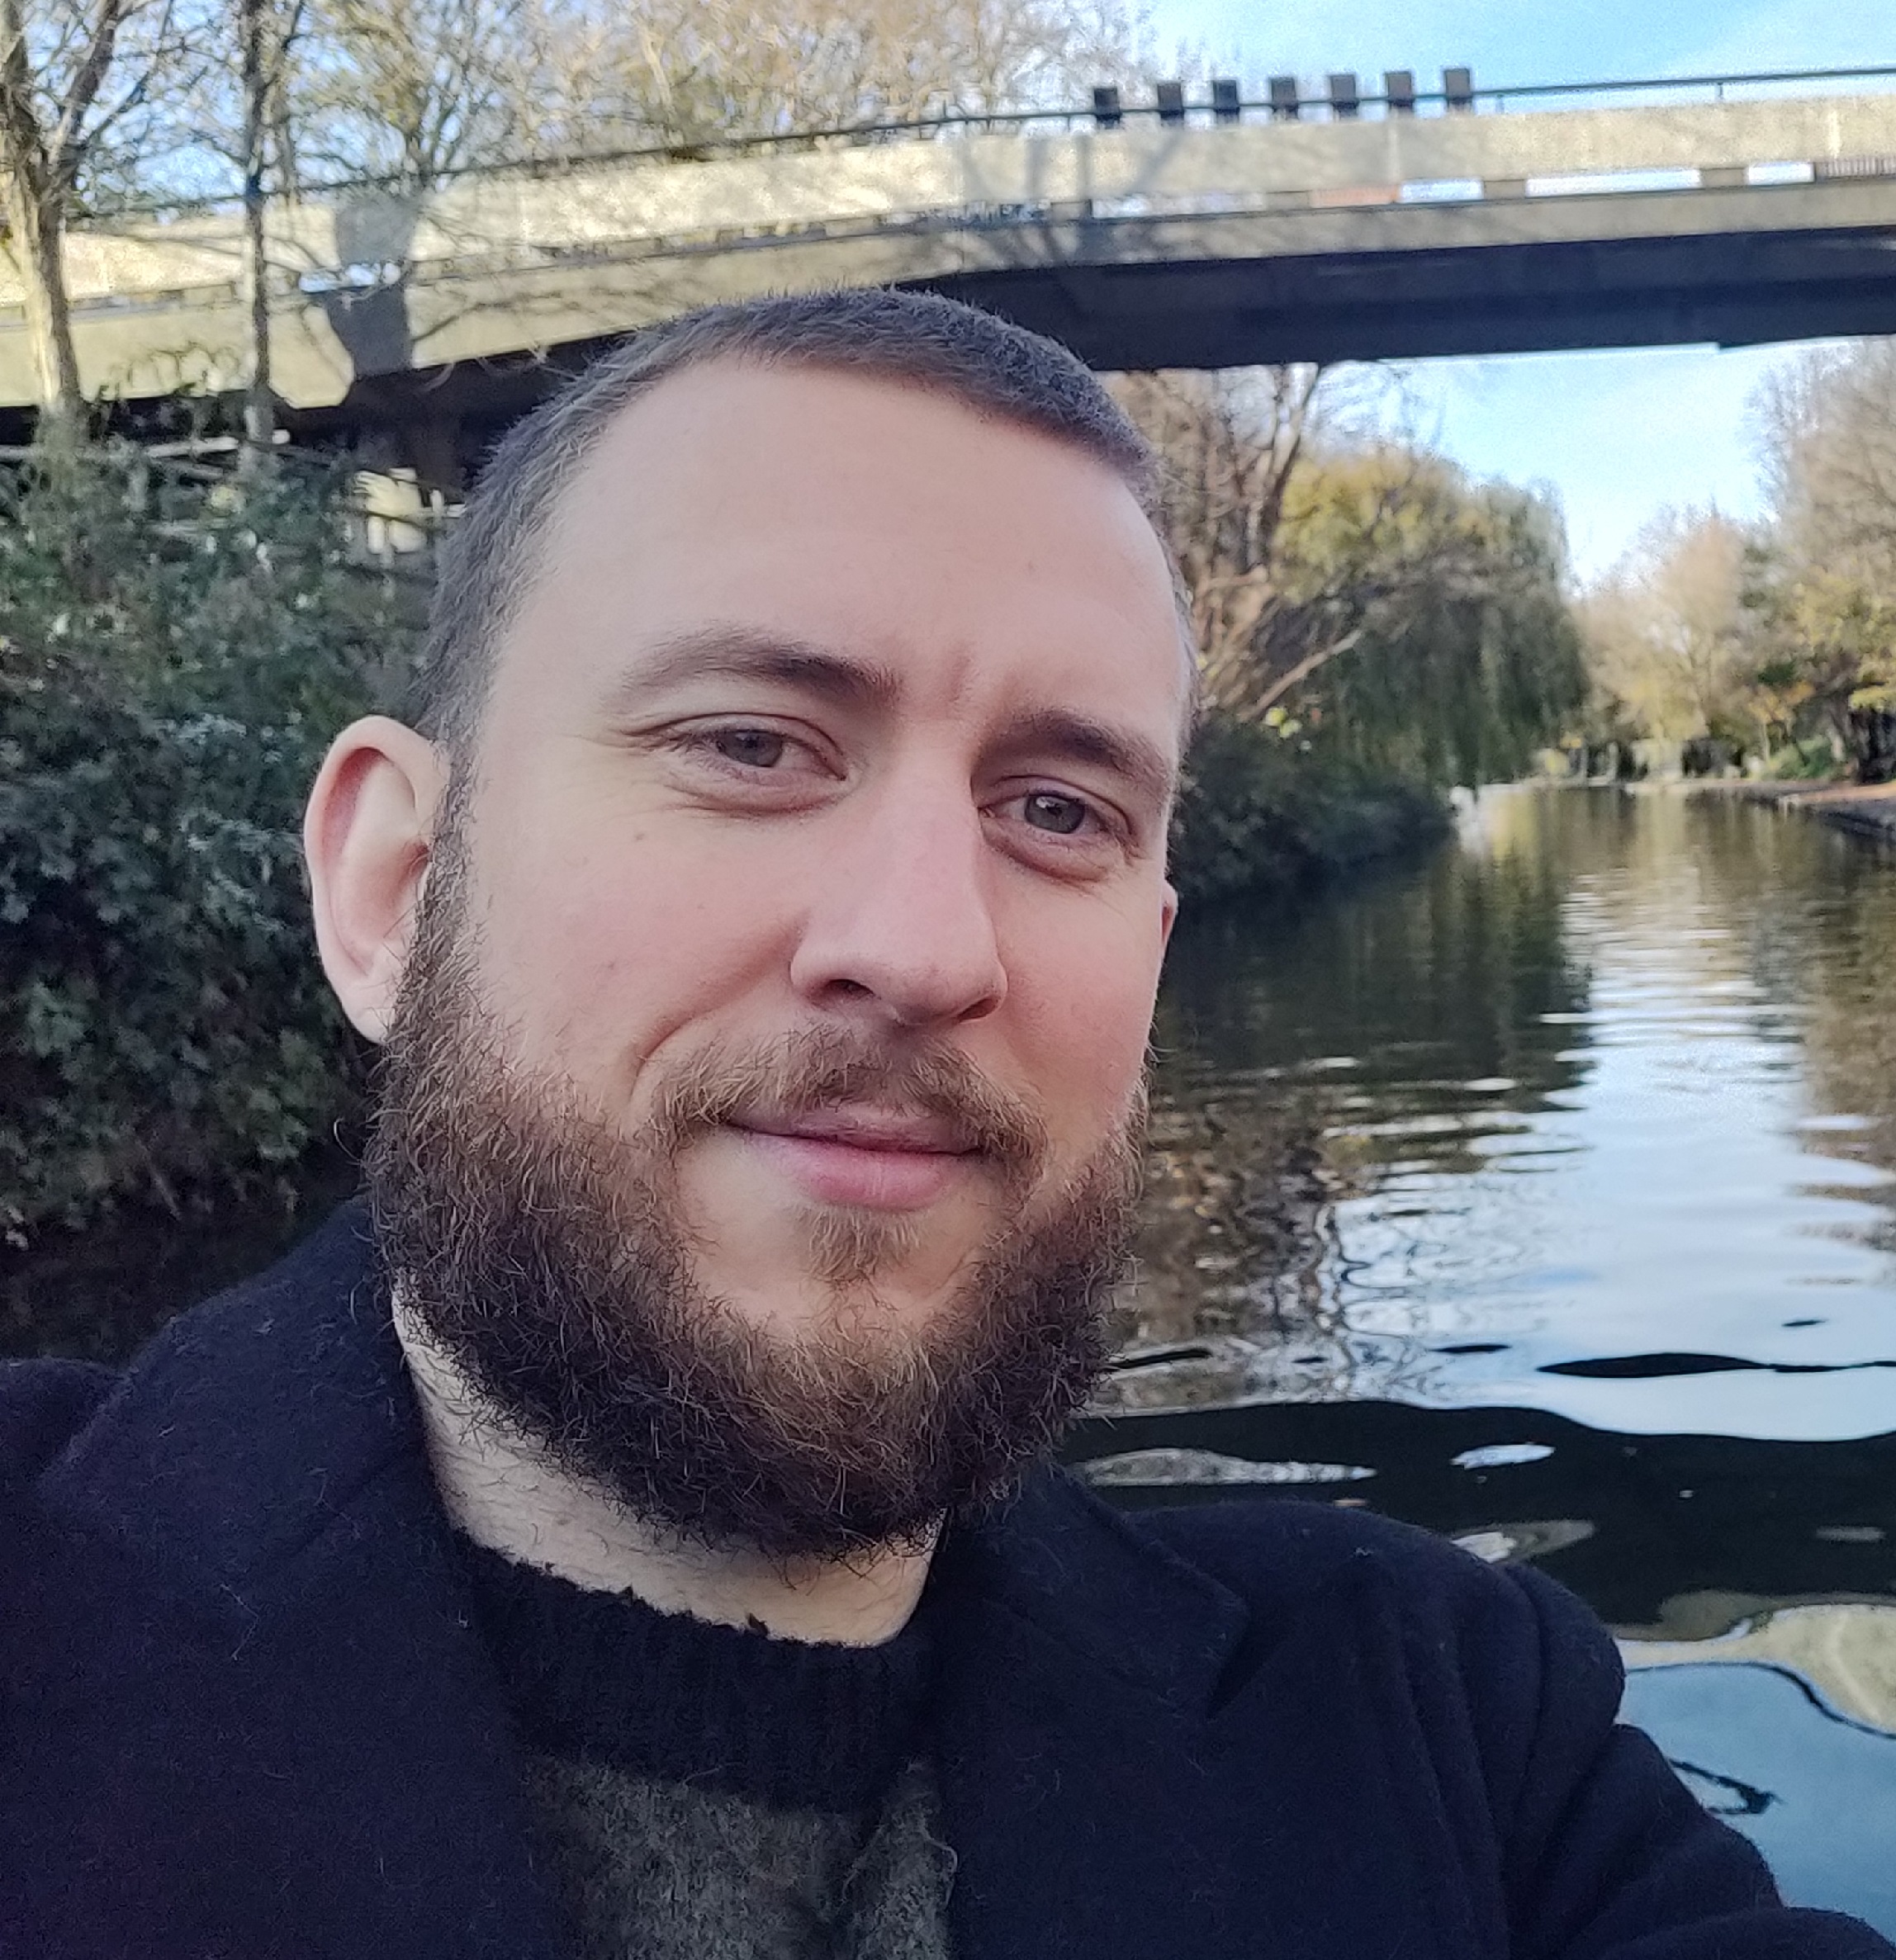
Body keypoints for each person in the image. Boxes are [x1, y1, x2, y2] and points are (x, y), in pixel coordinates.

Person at [2, 289, 1888, 1960]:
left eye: (1059, 808)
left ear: (1148, 950)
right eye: (751, 743)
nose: (921, 945)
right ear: (396, 886)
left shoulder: (1453, 1737)